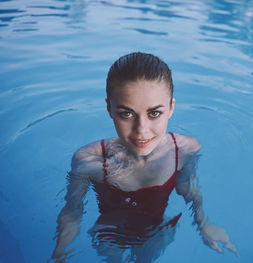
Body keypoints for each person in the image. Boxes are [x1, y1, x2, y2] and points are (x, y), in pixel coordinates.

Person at [51, 52, 239, 262]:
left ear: (171, 108)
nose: (141, 130)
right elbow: (72, 211)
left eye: (154, 113)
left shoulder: (184, 150)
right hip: (110, 234)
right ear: (109, 109)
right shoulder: (90, 161)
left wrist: (204, 224)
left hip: (157, 232)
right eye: (126, 114)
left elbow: (188, 189)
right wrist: (61, 248)